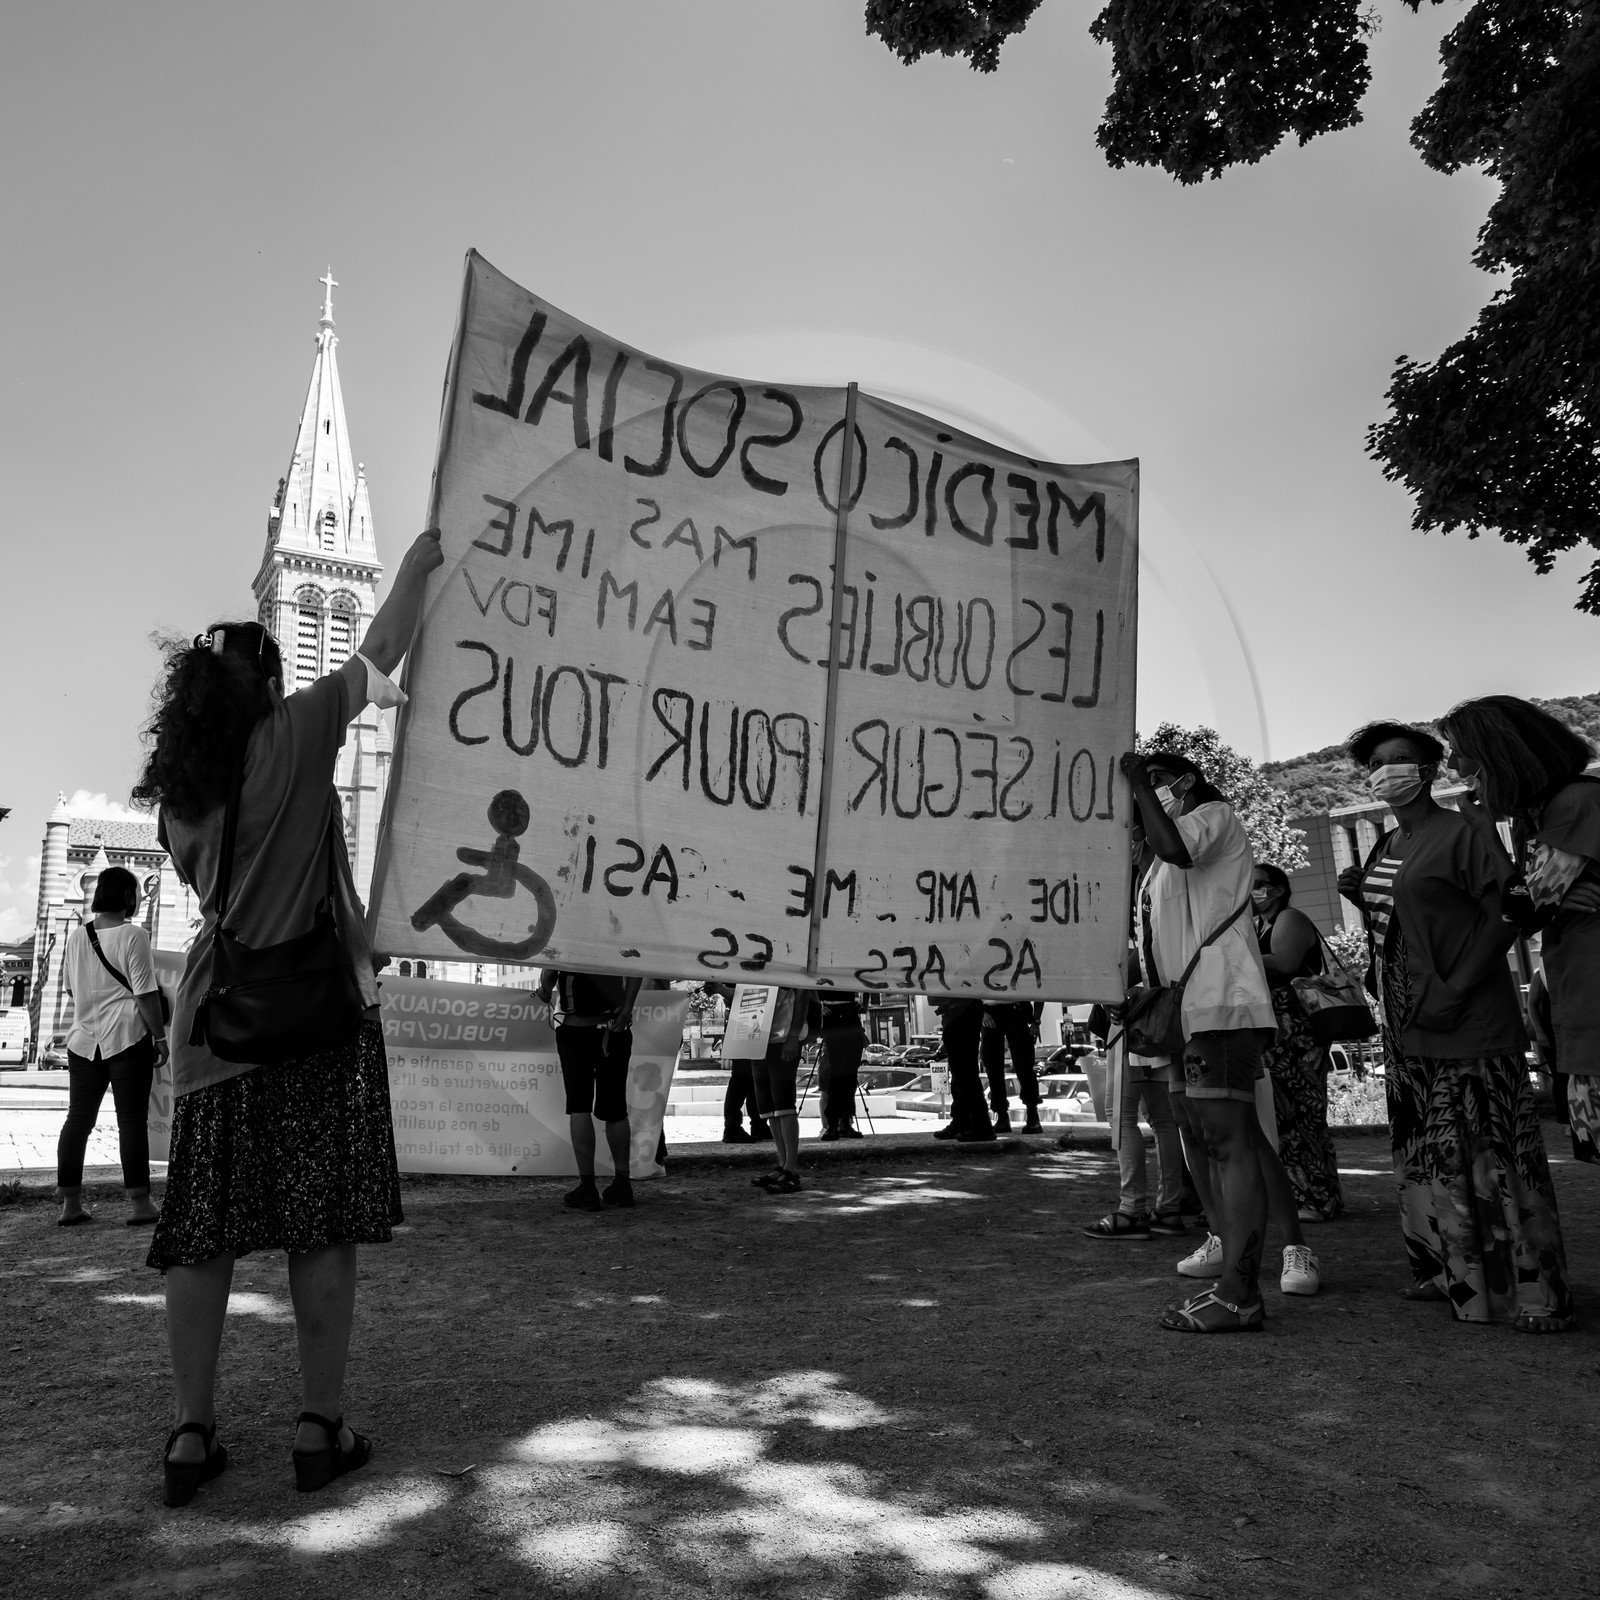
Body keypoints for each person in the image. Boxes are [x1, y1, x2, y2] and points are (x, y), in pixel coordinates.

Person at [135, 527, 442, 1508]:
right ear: (268, 682)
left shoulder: (177, 801)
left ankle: (191, 1434)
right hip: (312, 1025)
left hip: (214, 1028)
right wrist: (417, 563)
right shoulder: (298, 735)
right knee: (318, 1227)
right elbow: (382, 648)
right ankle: (319, 1426)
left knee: (202, 1234)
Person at [1337, 718, 1571, 1332]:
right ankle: (1455, 1275)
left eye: (1400, 758)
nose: (1386, 770)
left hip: (1466, 1014)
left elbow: (1508, 912)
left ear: (1431, 768)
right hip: (1408, 1022)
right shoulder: (1387, 843)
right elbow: (1420, 914)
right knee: (1434, 1150)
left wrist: (1457, 986)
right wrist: (1365, 895)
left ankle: (1534, 1290)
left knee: (1496, 1147)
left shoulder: (1465, 830)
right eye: (1375, 763)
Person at [1122, 748, 1319, 1333]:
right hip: (1185, 1008)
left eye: (1158, 779)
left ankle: (1243, 1290)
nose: (1146, 788)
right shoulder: (1158, 858)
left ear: (1183, 781)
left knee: (1231, 1140)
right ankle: (1227, 1250)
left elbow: (1174, 847)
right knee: (1202, 1133)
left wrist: (1137, 780)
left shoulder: (1214, 815)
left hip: (1221, 1002)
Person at [1440, 696, 1600, 1167]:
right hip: (1579, 1004)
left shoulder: (1575, 802)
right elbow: (1531, 902)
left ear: (1497, 754)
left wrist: (1489, 837)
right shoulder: (1540, 814)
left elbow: (1523, 908)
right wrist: (1541, 896)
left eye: (1458, 751)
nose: (1452, 765)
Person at [55, 865, 167, 1227]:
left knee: (78, 1121)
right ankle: (140, 1205)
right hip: (126, 1038)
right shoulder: (134, 935)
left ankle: (70, 1205)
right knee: (131, 1122)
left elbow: (71, 989)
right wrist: (160, 1037)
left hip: (83, 1041)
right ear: (127, 896)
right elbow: (146, 994)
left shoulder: (77, 936)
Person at [1252, 864, 1344, 1222]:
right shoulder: (1259, 924)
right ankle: (1299, 1194)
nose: (1251, 890)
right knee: (1281, 1115)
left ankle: (1318, 1197)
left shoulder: (1290, 918)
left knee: (1303, 1113)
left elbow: (1284, 962)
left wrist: (1232, 957)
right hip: (1277, 1032)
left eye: (1257, 884)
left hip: (1298, 1033)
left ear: (1276, 889)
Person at [537, 967, 644, 1211]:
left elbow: (548, 978)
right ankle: (623, 1186)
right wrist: (627, 1007)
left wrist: (543, 990)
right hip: (613, 1028)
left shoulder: (566, 939)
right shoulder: (616, 936)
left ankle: (588, 1189)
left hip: (576, 1029)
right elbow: (637, 968)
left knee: (579, 1106)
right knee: (616, 1109)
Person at [749, 987, 820, 1193]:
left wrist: (793, 1036)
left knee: (783, 1104)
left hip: (782, 1037)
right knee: (770, 1108)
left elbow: (803, 993)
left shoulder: (784, 960)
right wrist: (719, 989)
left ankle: (791, 1169)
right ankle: (783, 1164)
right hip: (759, 1039)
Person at [703, 982, 771, 1144]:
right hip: (746, 1022)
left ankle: (757, 1124)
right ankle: (734, 1127)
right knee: (743, 1078)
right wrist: (723, 990)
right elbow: (739, 994)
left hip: (752, 1021)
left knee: (754, 1077)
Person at [931, 997, 994, 1142]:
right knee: (960, 1073)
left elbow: (935, 997)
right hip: (959, 1010)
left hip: (960, 1010)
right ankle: (963, 1122)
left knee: (964, 1072)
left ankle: (981, 1125)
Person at [981, 1002, 1044, 1133]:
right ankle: (1002, 1116)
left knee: (1024, 1067)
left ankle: (1033, 1116)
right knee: (993, 1068)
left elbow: (1040, 990)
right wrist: (982, 1013)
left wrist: (1036, 1020)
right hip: (990, 1012)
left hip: (1018, 1010)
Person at [818, 990, 868, 1140]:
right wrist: (818, 1006)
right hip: (832, 1013)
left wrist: (864, 1003)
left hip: (848, 1012)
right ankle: (835, 1123)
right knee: (837, 1072)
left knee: (849, 1074)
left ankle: (842, 1123)